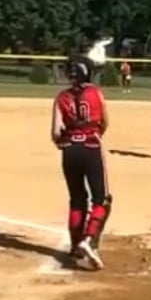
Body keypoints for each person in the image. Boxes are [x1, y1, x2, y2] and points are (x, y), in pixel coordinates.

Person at [51, 58, 112, 271]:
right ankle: (90, 240)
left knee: (77, 199)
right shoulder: (96, 93)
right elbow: (105, 121)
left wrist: (64, 142)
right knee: (101, 199)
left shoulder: (61, 97)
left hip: (70, 150)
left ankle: (76, 245)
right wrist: (93, 134)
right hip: (91, 146)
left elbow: (56, 132)